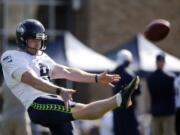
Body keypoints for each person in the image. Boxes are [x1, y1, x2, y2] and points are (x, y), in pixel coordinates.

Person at [1, 19, 140, 135]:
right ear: (22, 40)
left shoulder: (41, 56)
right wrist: (59, 90)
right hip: (37, 104)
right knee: (83, 111)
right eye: (33, 40)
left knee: (81, 119)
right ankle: (119, 99)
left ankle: (119, 100)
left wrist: (96, 78)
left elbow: (66, 71)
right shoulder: (11, 56)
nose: (38, 44)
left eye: (40, 40)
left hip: (53, 100)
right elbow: (32, 80)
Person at [112, 49, 140, 135]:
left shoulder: (114, 73)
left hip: (116, 107)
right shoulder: (130, 75)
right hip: (128, 109)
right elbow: (138, 91)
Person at [147, 53, 175, 135]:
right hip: (168, 112)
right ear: (164, 62)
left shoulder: (150, 78)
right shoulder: (170, 78)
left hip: (156, 111)